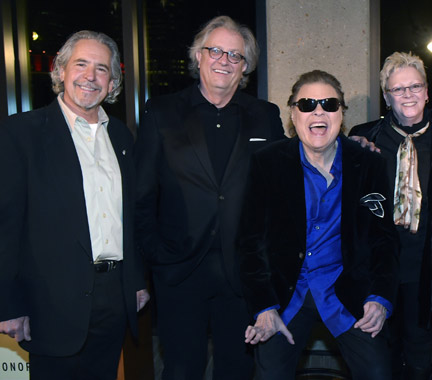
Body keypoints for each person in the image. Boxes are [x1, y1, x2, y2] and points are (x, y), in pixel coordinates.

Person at [135, 15, 284, 380]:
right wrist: (153, 257)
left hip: (242, 272)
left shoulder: (265, 116)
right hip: (179, 271)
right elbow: (141, 195)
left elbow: (284, 187)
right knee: (181, 369)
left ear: (245, 66)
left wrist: (353, 144)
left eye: (235, 55)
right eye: (215, 50)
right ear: (198, 56)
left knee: (236, 369)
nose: (224, 60)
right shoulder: (161, 112)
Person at [0, 30, 149, 379]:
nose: (90, 76)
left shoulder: (122, 137)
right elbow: (6, 225)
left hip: (114, 297)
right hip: (50, 301)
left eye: (102, 69)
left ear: (112, 82)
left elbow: (130, 218)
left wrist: (136, 282)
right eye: (81, 64)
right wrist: (8, 304)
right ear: (61, 70)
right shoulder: (20, 133)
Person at [239, 70, 399, 379]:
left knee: (379, 372)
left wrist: (379, 298)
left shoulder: (369, 163)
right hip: (286, 294)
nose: (318, 111)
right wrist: (263, 307)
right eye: (307, 104)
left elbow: (384, 240)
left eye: (329, 103)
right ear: (292, 113)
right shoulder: (266, 162)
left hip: (346, 291)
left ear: (341, 114)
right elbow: (249, 243)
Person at [349, 51, 432, 380]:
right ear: (387, 97)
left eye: (415, 86)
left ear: (427, 92)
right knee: (378, 361)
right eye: (398, 89)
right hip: (376, 270)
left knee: (418, 360)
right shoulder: (363, 137)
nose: (408, 95)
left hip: (424, 270)